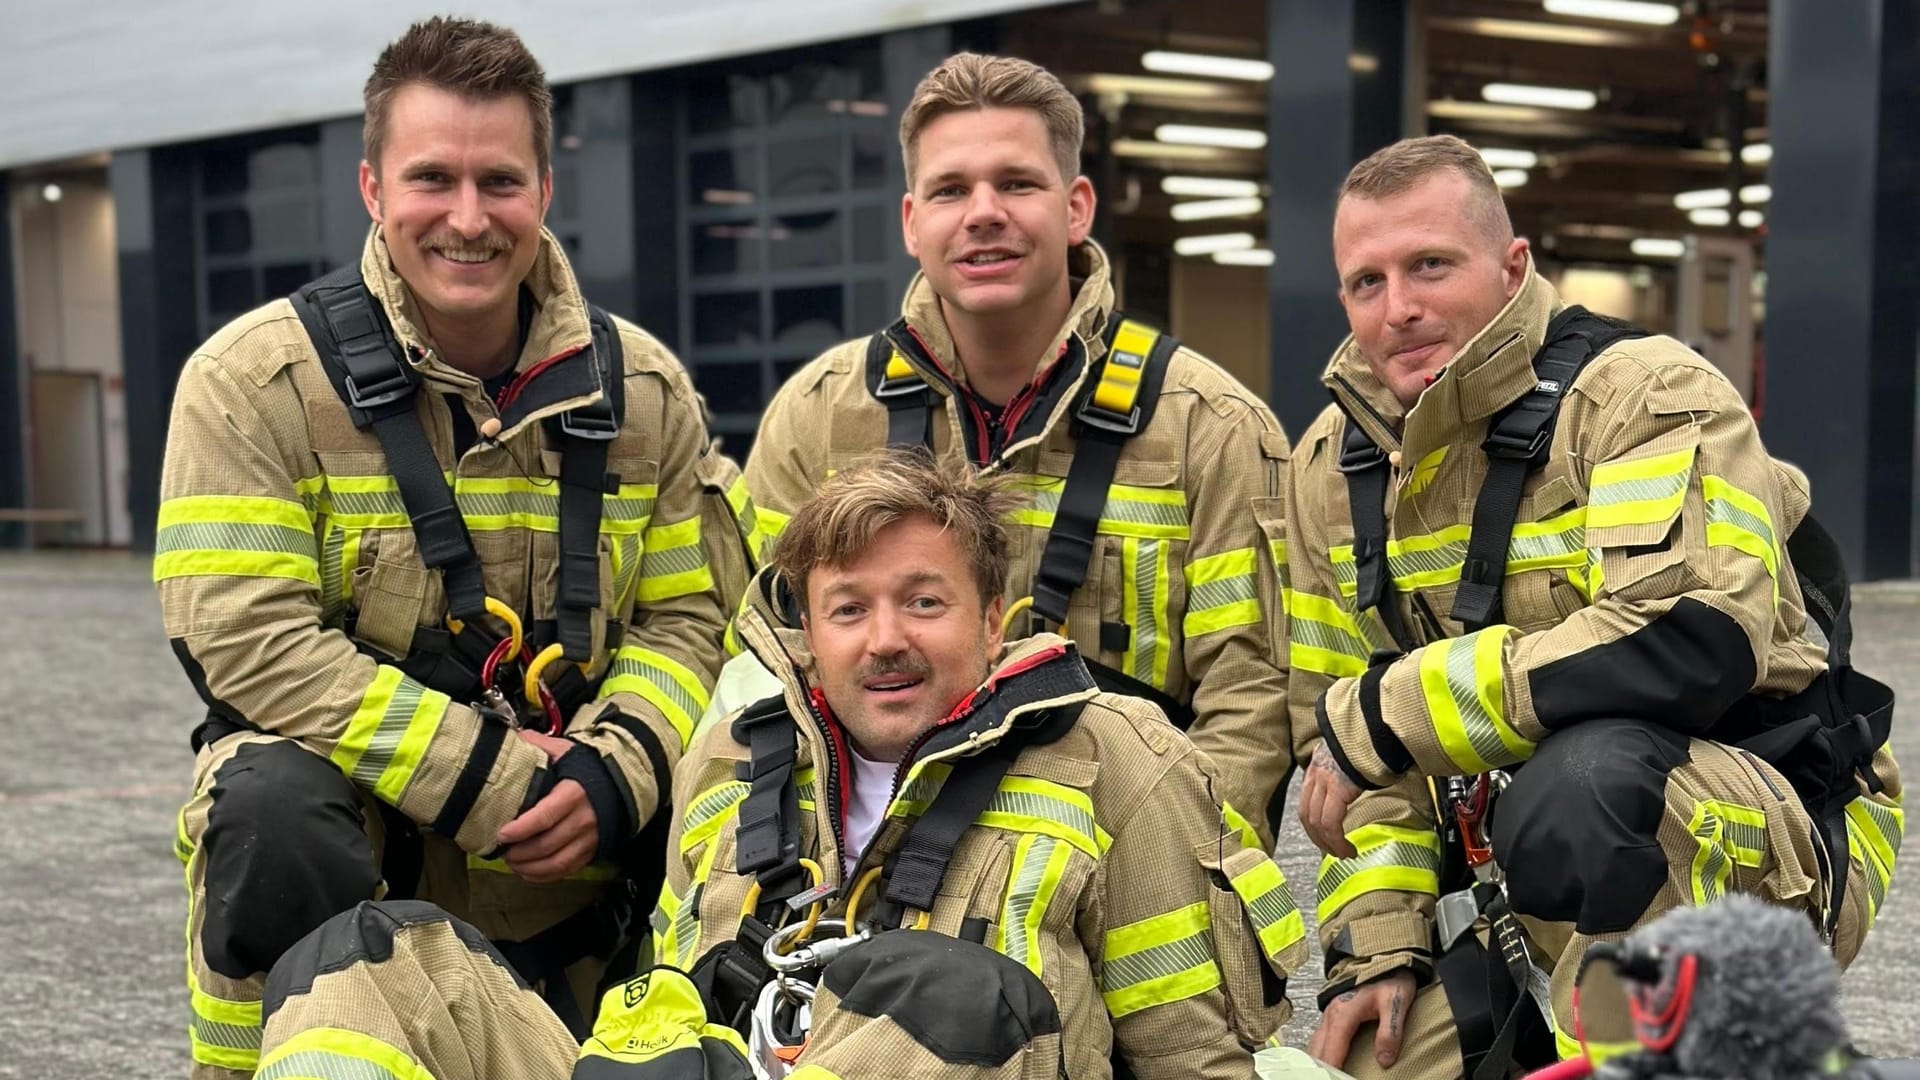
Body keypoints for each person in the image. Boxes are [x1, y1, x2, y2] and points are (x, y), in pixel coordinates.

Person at [243, 450, 1308, 1080]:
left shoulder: (1123, 759)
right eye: (849, 608)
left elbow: (1192, 1059)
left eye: (924, 601)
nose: (885, 638)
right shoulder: (738, 753)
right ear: (808, 634)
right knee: (375, 959)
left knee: (939, 994)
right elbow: (666, 987)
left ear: (995, 618)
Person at [155, 18, 752, 1077]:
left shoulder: (645, 395)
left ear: (545, 193)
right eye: (432, 179)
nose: (469, 219)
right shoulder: (251, 384)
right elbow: (247, 640)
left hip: (581, 846)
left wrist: (618, 776)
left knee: (738, 784)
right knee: (267, 807)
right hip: (365, 845)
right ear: (374, 189)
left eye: (500, 182)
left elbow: (691, 621)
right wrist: (482, 776)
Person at [1283, 135, 1902, 1079]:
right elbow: (1350, 754)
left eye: (1431, 265)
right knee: (1381, 1059)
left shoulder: (1645, 395)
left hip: (1749, 817)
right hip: (1513, 858)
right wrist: (1381, 947)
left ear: (1512, 265)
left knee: (1588, 787)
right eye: (1366, 282)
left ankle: (1665, 1053)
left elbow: (1693, 642)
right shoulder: (1332, 464)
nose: (1399, 307)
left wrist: (1400, 707)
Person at [742, 53, 1296, 842]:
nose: (983, 212)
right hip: (876, 888)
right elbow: (767, 669)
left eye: (1017, 183)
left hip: (1125, 890)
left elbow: (1250, 707)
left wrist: (1147, 870)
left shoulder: (1210, 429)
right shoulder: (817, 419)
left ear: (1075, 208)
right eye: (950, 189)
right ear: (911, 222)